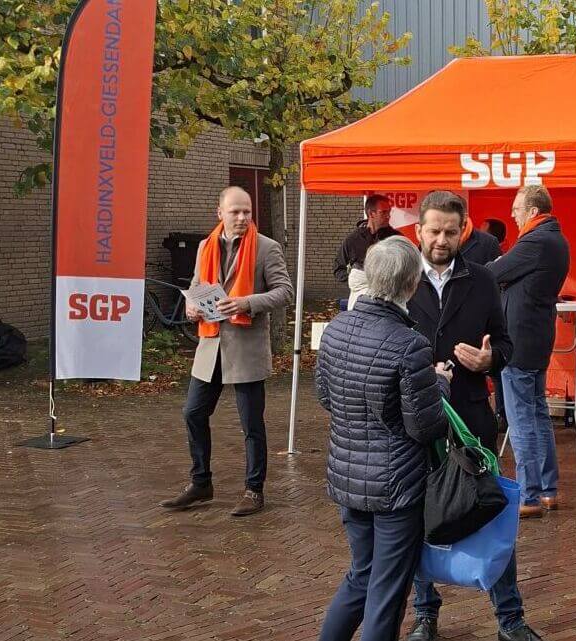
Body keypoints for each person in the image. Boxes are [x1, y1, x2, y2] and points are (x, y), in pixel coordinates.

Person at [404, 191, 543, 641]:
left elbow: (505, 343)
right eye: (433, 230)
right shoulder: (401, 280)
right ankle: (426, 616)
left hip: (470, 417)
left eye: (450, 231)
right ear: (418, 231)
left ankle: (510, 618)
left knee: (492, 511)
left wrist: (490, 363)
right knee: (417, 520)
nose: (442, 240)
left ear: (463, 230)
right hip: (418, 422)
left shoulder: (483, 279)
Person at [315, 236, 452, 641]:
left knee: (361, 575)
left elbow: (325, 396)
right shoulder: (409, 344)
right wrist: (440, 384)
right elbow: (426, 427)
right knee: (387, 590)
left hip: (347, 476)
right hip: (395, 487)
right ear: (411, 285)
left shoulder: (335, 330)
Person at [160, 186, 294, 517]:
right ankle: (201, 482)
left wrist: (247, 302)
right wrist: (191, 305)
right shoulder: (206, 246)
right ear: (219, 213)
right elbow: (194, 286)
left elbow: (284, 292)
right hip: (211, 343)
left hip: (246, 346)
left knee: (251, 423)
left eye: (247, 211)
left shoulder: (267, 248)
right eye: (235, 211)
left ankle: (254, 490)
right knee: (193, 412)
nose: (242, 217)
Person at [487, 185, 570, 519]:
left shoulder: (536, 241)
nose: (513, 214)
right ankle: (547, 490)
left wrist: (498, 268)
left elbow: (495, 272)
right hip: (536, 336)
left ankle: (529, 495)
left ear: (533, 211)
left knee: (521, 419)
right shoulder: (555, 239)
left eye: (517, 208)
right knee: (537, 415)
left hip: (519, 340)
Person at [332, 194, 400, 283]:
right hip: (361, 294)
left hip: (389, 294)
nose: (388, 216)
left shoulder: (396, 239)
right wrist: (356, 280)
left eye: (389, 212)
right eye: (383, 212)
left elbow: (409, 266)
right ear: (371, 214)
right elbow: (338, 269)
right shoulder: (353, 239)